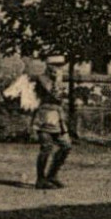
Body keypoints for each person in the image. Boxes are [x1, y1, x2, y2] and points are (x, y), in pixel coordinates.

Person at [31, 55, 72, 189]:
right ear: (49, 66)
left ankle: (52, 175)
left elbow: (61, 97)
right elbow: (55, 94)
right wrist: (58, 80)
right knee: (46, 147)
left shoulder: (57, 80)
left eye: (61, 66)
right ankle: (40, 179)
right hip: (45, 117)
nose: (60, 68)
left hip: (58, 118)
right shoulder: (42, 79)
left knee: (66, 146)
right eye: (57, 65)